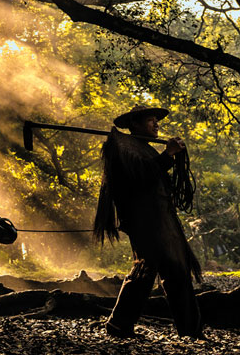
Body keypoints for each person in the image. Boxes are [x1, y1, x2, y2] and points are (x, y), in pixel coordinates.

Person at [94, 105, 202, 338]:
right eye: (151, 120)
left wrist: (170, 156)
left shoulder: (145, 149)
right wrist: (167, 155)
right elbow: (141, 178)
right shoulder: (124, 147)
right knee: (145, 270)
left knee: (177, 270)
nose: (156, 124)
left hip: (162, 220)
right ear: (135, 124)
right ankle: (118, 324)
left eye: (156, 120)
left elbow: (156, 179)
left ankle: (190, 330)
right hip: (144, 222)